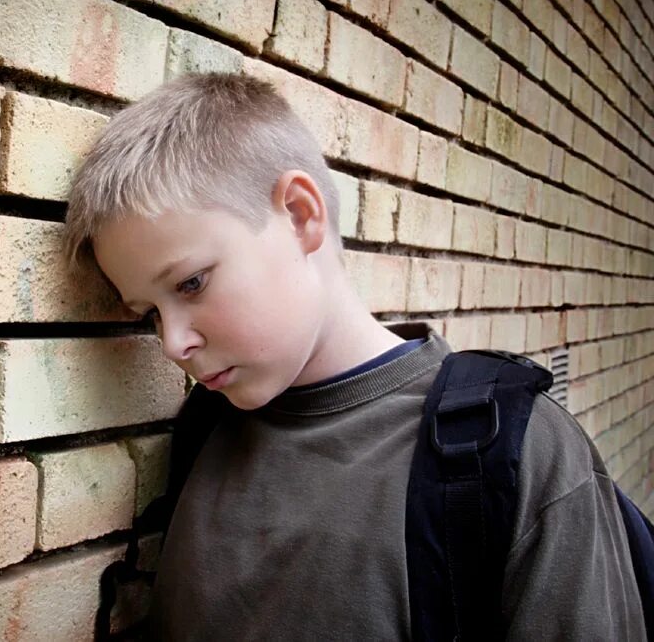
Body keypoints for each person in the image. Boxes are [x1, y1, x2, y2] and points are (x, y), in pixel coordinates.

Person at [62, 73, 644, 639]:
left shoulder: (514, 451)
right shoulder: (204, 430)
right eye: (150, 314)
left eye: (190, 284)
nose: (172, 344)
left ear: (300, 215)